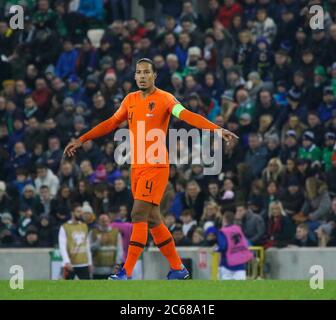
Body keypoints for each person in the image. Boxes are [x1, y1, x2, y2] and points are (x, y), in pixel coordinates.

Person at [63, 58, 239, 280]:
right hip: (137, 167)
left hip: (156, 166)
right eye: (139, 72)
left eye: (147, 72)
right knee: (154, 219)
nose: (142, 76)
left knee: (137, 214)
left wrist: (216, 129)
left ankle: (125, 272)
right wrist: (82, 139)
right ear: (135, 76)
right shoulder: (130, 100)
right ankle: (178, 269)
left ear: (154, 75)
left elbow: (186, 115)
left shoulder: (165, 99)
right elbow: (110, 123)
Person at [58, 203, 93, 280]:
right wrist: (66, 261)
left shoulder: (84, 226)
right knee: (67, 289)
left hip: (83, 263)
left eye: (81, 212)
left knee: (87, 289)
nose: (80, 214)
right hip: (70, 263)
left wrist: (90, 262)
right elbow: (62, 246)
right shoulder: (65, 227)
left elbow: (87, 245)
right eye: (78, 211)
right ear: (72, 213)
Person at [215, 211, 253, 280]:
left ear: (224, 219)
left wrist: (216, 249)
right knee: (240, 288)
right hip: (240, 263)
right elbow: (247, 243)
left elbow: (223, 246)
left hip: (227, 263)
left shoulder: (222, 231)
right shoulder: (238, 229)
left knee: (225, 289)